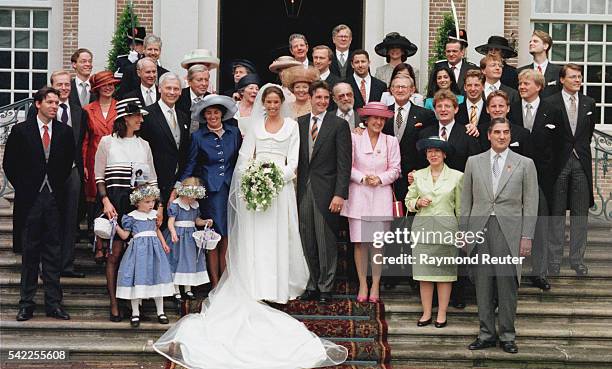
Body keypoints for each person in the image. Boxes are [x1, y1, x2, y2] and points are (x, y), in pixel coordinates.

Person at [152, 84, 348, 369]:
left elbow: (293, 162)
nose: (270, 105)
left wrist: (272, 177)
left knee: (279, 238)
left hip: (280, 190)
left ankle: (279, 285)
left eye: (274, 101)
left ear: (281, 103)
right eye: (267, 101)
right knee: (257, 239)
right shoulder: (255, 126)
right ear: (263, 104)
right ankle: (256, 284)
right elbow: (244, 159)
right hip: (256, 190)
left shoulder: (292, 127)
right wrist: (252, 178)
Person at [461, 117, 538, 354]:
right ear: (489, 135)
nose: (502, 136)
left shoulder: (525, 164)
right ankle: (485, 333)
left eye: (506, 132)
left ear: (510, 135)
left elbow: (531, 203)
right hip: (480, 229)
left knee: (507, 284)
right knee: (482, 283)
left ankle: (507, 335)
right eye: (497, 132)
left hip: (509, 231)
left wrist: (527, 236)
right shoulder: (474, 162)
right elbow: (466, 202)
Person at [4, 86, 75, 321]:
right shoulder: (20, 130)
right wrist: (27, 187)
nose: (55, 106)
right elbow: (10, 164)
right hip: (30, 200)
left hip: (54, 198)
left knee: (53, 254)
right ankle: (26, 303)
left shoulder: (65, 132)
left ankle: (54, 303)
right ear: (38, 104)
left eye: (57, 103)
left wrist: (53, 184)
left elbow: (66, 164)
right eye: (50, 102)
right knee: (30, 253)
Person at [94, 98, 157, 322]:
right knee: (115, 254)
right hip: (114, 203)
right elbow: (99, 176)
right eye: (137, 116)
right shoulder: (107, 143)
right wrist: (105, 202)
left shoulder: (144, 145)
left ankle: (134, 303)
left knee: (136, 256)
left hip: (137, 206)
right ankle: (114, 303)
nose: (141, 120)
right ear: (125, 118)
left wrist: (154, 208)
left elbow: (151, 180)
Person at [175, 95, 241, 287]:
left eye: (216, 112)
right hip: (211, 192)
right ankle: (215, 284)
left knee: (228, 235)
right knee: (212, 236)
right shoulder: (198, 136)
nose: (213, 116)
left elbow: (239, 159)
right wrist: (178, 186)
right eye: (209, 113)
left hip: (231, 189)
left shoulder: (233, 132)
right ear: (204, 116)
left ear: (222, 114)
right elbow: (191, 164)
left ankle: (227, 281)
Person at [296, 80, 352, 303]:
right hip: (302, 191)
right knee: (306, 239)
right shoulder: (298, 124)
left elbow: (344, 163)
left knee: (325, 240)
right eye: (318, 97)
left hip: (328, 191)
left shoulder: (338, 125)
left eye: (326, 98)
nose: (322, 101)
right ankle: (311, 284)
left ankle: (326, 287)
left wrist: (340, 194)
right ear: (310, 98)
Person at [340, 101, 400, 303]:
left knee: (377, 244)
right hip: (358, 196)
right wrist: (363, 178)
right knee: (360, 243)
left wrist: (381, 179)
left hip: (381, 198)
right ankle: (363, 284)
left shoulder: (391, 141)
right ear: (366, 119)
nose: (379, 122)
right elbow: (346, 166)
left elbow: (396, 169)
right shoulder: (354, 138)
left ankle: (375, 284)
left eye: (382, 119)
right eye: (375, 118)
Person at [508, 69, 561, 290]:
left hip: (540, 179)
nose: (521, 86)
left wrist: (548, 178)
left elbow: (559, 148)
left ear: (538, 86)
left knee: (539, 226)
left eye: (526, 83)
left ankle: (540, 272)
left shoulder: (553, 111)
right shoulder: (512, 112)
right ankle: (512, 274)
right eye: (520, 83)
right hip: (512, 179)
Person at [406, 136, 463, 328]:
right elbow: (408, 201)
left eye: (437, 151)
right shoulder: (418, 175)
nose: (433, 154)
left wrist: (462, 232)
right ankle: (426, 312)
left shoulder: (457, 176)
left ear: (444, 154)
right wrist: (417, 203)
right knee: (424, 274)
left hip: (447, 230)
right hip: (422, 230)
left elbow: (461, 208)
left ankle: (442, 313)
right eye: (430, 151)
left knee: (445, 274)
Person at [546, 64, 596, 277]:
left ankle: (577, 260)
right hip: (559, 163)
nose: (578, 80)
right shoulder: (551, 102)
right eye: (573, 77)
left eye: (580, 77)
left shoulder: (589, 103)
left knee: (580, 215)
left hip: (581, 164)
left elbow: (588, 133)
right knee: (556, 215)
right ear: (562, 80)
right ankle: (555, 261)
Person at [115, 184, 174, 327]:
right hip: (138, 253)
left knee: (157, 277)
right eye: (147, 202)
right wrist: (115, 225)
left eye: (153, 201)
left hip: (154, 251)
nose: (151, 204)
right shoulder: (131, 217)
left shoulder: (154, 215)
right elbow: (125, 236)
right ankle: (135, 312)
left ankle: (161, 311)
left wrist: (164, 244)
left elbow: (157, 230)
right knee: (137, 278)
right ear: (137, 202)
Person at [140, 72, 191, 224]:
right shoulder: (147, 114)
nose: (172, 92)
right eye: (168, 88)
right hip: (154, 179)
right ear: (159, 89)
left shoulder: (183, 116)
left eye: (176, 89)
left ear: (181, 92)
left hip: (177, 182)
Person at [82, 71, 120, 264]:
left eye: (111, 84)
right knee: (97, 201)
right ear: (97, 88)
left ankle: (110, 244)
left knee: (113, 200)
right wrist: (84, 164)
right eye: (105, 84)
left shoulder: (119, 107)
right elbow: (85, 140)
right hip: (94, 159)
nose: (108, 87)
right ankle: (98, 245)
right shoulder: (88, 110)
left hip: (116, 159)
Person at [164, 177, 212, 303]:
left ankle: (188, 288)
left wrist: (205, 222)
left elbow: (196, 220)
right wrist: (173, 233)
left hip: (191, 236)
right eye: (191, 196)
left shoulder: (194, 205)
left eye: (195, 197)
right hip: (179, 236)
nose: (193, 199)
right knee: (176, 260)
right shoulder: (176, 204)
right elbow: (170, 222)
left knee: (190, 260)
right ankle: (176, 290)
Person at [427, 29, 478, 98]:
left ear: (462, 52)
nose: (451, 54)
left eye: (454, 51)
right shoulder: (438, 67)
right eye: (448, 51)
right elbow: (431, 92)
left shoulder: (472, 69)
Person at [517, 30, 562, 98]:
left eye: (535, 41)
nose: (531, 43)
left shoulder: (559, 71)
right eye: (530, 41)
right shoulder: (520, 71)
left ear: (545, 46)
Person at [176, 64, 211, 132]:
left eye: (206, 80)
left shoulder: (211, 100)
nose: (204, 84)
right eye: (199, 80)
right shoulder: (178, 97)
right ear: (189, 82)